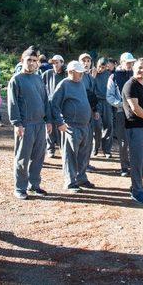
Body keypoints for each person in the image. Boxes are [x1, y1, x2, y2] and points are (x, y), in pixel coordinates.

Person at [7, 47, 53, 200]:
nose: (32, 63)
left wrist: (48, 120)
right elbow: (13, 104)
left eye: (35, 61)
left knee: (38, 156)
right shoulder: (16, 79)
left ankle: (34, 185)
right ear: (22, 61)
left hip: (40, 123)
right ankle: (20, 188)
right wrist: (17, 123)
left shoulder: (38, 78)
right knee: (22, 157)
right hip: (25, 125)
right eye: (29, 60)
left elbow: (45, 100)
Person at [51, 61, 96, 192]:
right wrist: (60, 122)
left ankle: (81, 178)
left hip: (84, 126)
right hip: (71, 126)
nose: (82, 74)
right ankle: (70, 182)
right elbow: (54, 104)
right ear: (71, 72)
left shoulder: (80, 83)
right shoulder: (64, 84)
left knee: (83, 154)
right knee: (70, 155)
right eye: (79, 72)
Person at [122, 58, 143, 204]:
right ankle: (137, 192)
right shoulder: (130, 85)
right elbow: (135, 108)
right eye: (140, 67)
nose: (142, 70)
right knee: (136, 161)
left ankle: (137, 186)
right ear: (133, 68)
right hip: (135, 127)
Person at [106, 52, 136, 176]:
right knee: (123, 142)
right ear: (121, 62)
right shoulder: (113, 77)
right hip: (121, 113)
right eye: (128, 62)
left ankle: (135, 166)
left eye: (131, 63)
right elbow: (109, 97)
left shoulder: (135, 74)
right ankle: (124, 167)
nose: (130, 65)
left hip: (136, 112)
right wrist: (122, 105)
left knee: (136, 140)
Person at [77, 52, 99, 173]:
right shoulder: (76, 76)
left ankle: (86, 163)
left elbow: (93, 94)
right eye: (83, 61)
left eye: (88, 61)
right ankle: (79, 165)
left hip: (89, 112)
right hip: (78, 113)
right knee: (80, 140)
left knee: (89, 139)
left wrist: (95, 110)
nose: (86, 63)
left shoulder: (91, 78)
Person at [42, 54, 66, 158]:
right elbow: (41, 87)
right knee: (49, 127)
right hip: (50, 104)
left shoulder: (66, 75)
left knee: (62, 127)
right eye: (53, 63)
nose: (55, 65)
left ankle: (63, 148)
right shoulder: (47, 73)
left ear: (62, 63)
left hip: (62, 105)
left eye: (57, 62)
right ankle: (50, 149)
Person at [92, 57, 113, 158]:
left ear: (106, 67)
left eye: (103, 67)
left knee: (109, 125)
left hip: (107, 102)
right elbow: (89, 88)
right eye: (99, 66)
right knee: (96, 126)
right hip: (96, 102)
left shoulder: (109, 75)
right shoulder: (93, 74)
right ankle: (94, 148)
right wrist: (93, 77)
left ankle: (107, 150)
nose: (100, 69)